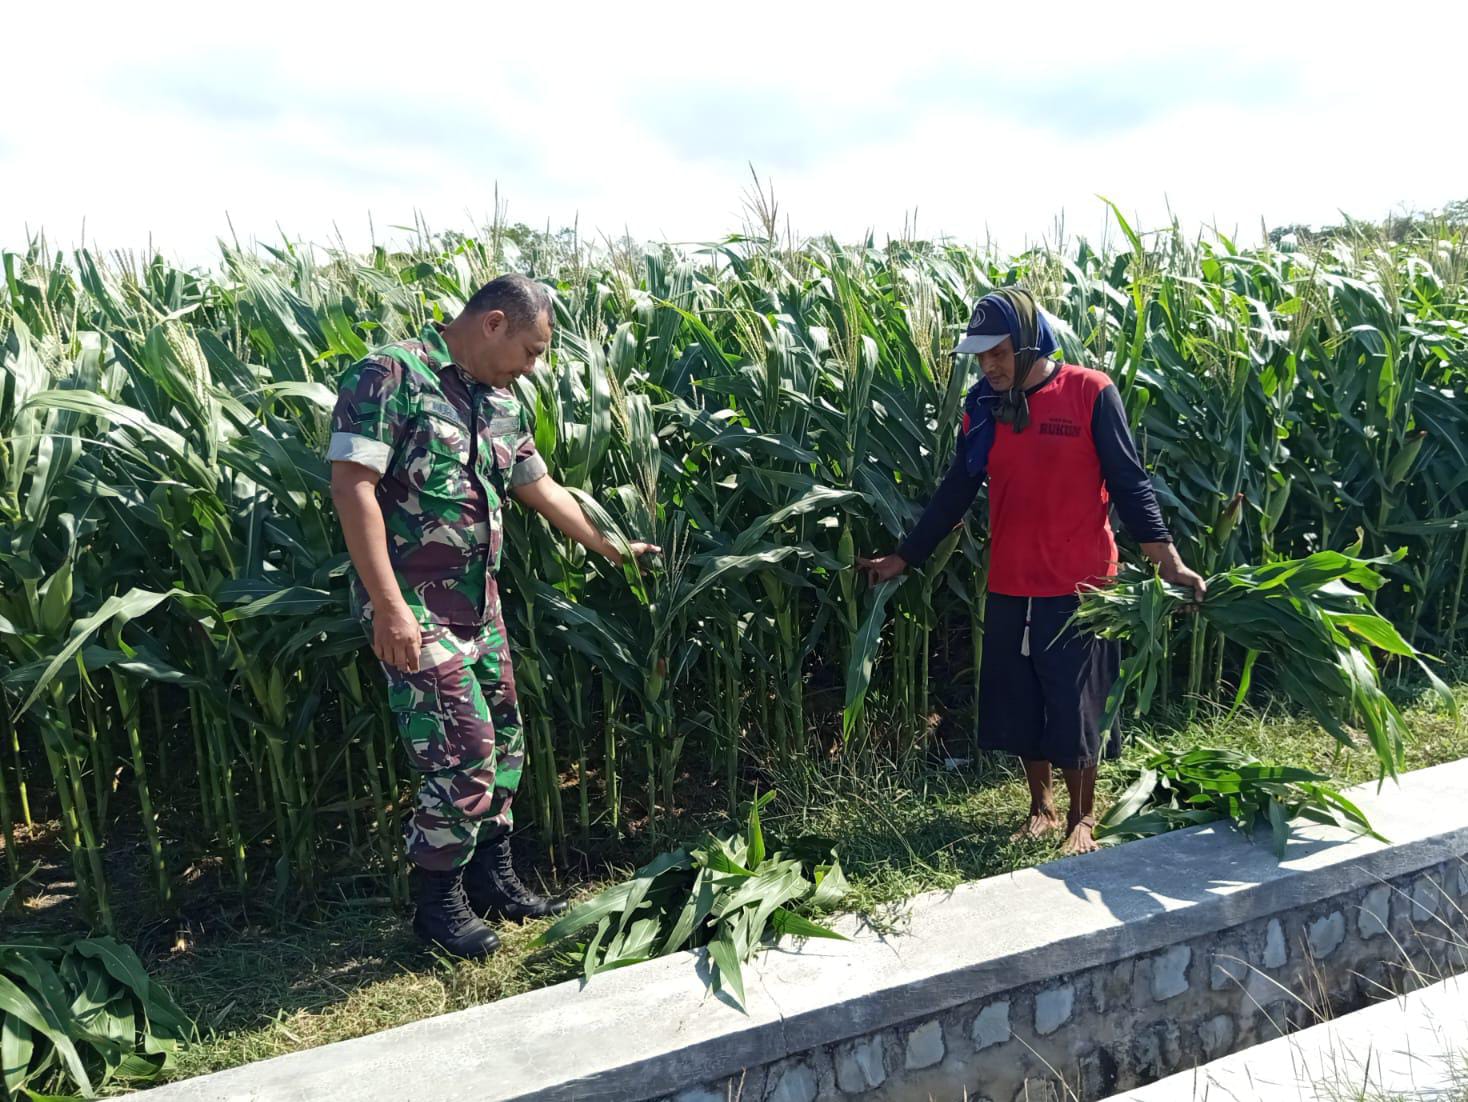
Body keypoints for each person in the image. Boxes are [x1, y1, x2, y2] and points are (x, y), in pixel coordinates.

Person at [327, 274, 658, 957]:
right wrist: (390, 608)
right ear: (495, 323)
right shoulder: (391, 375)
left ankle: (492, 881)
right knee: (463, 756)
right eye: (533, 350)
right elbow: (352, 485)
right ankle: (436, 906)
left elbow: (538, 485)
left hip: (481, 607)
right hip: (415, 610)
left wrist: (607, 544)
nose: (535, 366)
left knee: (505, 745)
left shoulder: (501, 402)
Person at [859, 288, 1205, 856]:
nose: (987, 365)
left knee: (1076, 704)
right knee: (1022, 701)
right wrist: (904, 556)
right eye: (979, 356)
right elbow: (956, 489)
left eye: (997, 352)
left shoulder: (1091, 392)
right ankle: (1040, 808)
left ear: (1027, 343)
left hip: (1082, 583)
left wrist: (1167, 559)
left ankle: (1082, 817)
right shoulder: (983, 408)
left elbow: (1129, 480)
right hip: (1010, 582)